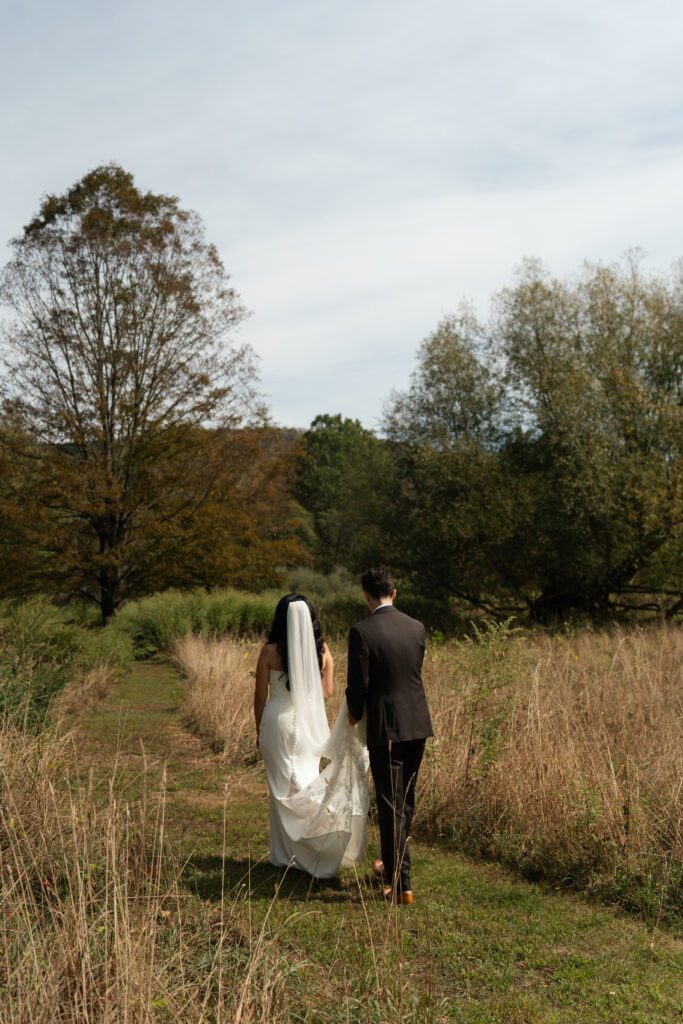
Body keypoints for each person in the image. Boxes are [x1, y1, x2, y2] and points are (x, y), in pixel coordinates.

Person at [255, 593, 369, 877]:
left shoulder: (269, 651)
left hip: (277, 722)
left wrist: (259, 730)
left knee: (281, 788)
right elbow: (326, 693)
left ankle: (286, 854)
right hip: (307, 725)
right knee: (305, 781)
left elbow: (259, 696)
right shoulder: (323, 652)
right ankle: (315, 842)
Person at [346, 569, 433, 904]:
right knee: (405, 802)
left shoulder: (362, 632)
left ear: (366, 596)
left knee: (390, 804)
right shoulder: (416, 627)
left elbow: (359, 685)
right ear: (394, 593)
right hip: (418, 723)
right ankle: (389, 866)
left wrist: (354, 713)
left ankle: (400, 884)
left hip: (388, 728)